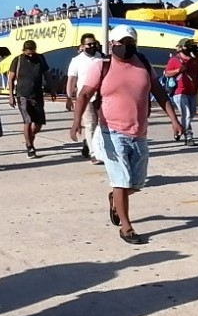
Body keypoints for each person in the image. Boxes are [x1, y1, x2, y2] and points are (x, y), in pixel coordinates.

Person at [70, 25, 182, 244]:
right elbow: (84, 94)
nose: (128, 47)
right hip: (112, 131)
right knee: (121, 180)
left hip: (139, 132)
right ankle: (126, 227)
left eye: (131, 43)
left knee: (137, 183)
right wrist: (76, 122)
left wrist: (174, 120)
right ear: (113, 44)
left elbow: (158, 92)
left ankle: (115, 200)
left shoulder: (143, 63)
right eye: (123, 43)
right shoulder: (101, 66)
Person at [9, 39, 53, 158]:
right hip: (22, 95)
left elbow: (47, 74)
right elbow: (11, 78)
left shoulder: (40, 58)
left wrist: (52, 89)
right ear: (23, 51)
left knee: (38, 123)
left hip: (37, 95)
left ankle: (30, 138)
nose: (30, 55)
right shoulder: (17, 60)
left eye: (32, 52)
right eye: (28, 53)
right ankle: (29, 146)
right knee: (27, 120)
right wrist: (11, 95)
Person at [67, 33, 106, 163]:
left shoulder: (101, 58)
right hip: (85, 97)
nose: (92, 46)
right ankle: (93, 153)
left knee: (102, 124)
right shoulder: (76, 60)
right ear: (82, 46)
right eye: (89, 44)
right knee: (90, 124)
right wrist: (69, 97)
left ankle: (92, 144)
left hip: (101, 95)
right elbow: (71, 80)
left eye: (94, 43)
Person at [163, 38, 198, 147]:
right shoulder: (175, 60)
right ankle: (188, 136)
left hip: (192, 91)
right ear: (181, 48)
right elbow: (166, 73)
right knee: (187, 114)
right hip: (179, 91)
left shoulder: (195, 60)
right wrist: (178, 70)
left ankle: (178, 127)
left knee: (192, 113)